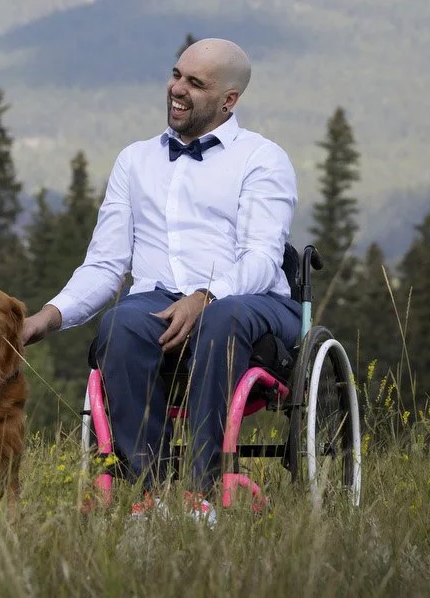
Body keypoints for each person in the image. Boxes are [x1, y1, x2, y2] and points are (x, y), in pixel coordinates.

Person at [20, 38, 297, 506]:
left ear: (229, 100)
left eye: (195, 82)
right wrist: (46, 318)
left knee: (220, 318)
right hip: (158, 302)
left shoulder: (262, 159)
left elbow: (261, 259)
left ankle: (204, 489)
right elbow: (106, 265)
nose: (177, 89)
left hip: (251, 306)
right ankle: (149, 491)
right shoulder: (135, 161)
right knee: (122, 322)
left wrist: (206, 296)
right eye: (175, 75)